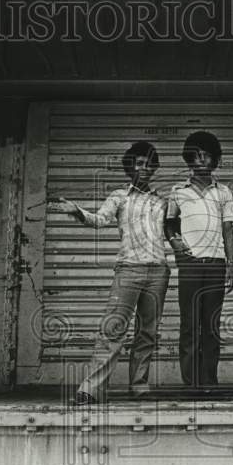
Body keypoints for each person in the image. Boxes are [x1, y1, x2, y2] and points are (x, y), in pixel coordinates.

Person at [55, 141, 169, 405]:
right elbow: (100, 220)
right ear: (130, 167)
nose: (145, 168)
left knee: (148, 332)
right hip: (128, 269)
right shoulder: (119, 197)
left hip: (159, 272)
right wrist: (78, 212)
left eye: (150, 164)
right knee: (113, 328)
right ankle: (90, 389)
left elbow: (173, 232)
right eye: (140, 163)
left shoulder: (163, 201)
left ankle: (139, 387)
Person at [164, 131, 233, 391]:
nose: (201, 160)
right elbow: (169, 225)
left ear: (215, 159)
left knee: (211, 325)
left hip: (216, 263)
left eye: (206, 156)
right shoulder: (178, 191)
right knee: (189, 325)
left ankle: (209, 381)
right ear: (189, 160)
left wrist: (231, 264)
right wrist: (177, 245)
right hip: (190, 265)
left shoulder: (224, 192)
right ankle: (190, 382)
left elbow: (228, 230)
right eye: (195, 156)